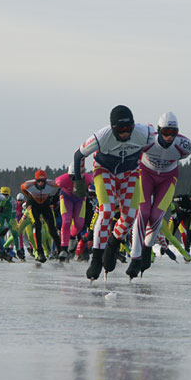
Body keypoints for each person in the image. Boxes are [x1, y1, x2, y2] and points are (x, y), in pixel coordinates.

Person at [72, 105, 154, 280]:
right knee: (107, 210)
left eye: (128, 129)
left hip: (130, 172)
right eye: (120, 130)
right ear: (112, 128)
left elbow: (161, 149)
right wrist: (79, 182)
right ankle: (95, 259)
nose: (125, 134)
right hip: (104, 171)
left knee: (130, 216)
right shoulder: (102, 137)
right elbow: (78, 155)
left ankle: (113, 243)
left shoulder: (145, 132)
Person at [126, 112, 191, 279]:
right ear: (158, 131)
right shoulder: (147, 140)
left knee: (156, 215)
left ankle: (147, 248)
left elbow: (183, 156)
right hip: (146, 174)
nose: (169, 137)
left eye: (173, 133)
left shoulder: (185, 145)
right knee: (143, 213)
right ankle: (135, 258)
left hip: (168, 178)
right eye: (165, 133)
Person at [55, 163, 94, 261]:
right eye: (73, 177)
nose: (75, 180)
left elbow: (96, 178)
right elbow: (55, 184)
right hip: (66, 198)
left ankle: (72, 238)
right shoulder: (62, 180)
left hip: (80, 199)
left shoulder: (88, 178)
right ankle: (64, 248)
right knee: (66, 221)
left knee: (79, 223)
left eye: (78, 177)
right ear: (69, 175)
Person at [20, 170, 61, 262]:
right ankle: (40, 253)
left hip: (45, 204)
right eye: (39, 181)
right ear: (35, 181)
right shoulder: (28, 185)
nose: (41, 183)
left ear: (46, 180)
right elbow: (22, 187)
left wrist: (55, 198)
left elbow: (60, 185)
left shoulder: (51, 184)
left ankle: (60, 251)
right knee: (37, 225)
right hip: (33, 204)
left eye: (43, 181)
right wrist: (29, 196)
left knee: (52, 229)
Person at [170, 187, 191, 261]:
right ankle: (186, 252)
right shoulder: (182, 198)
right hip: (179, 218)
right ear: (189, 196)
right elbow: (171, 199)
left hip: (189, 219)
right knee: (183, 234)